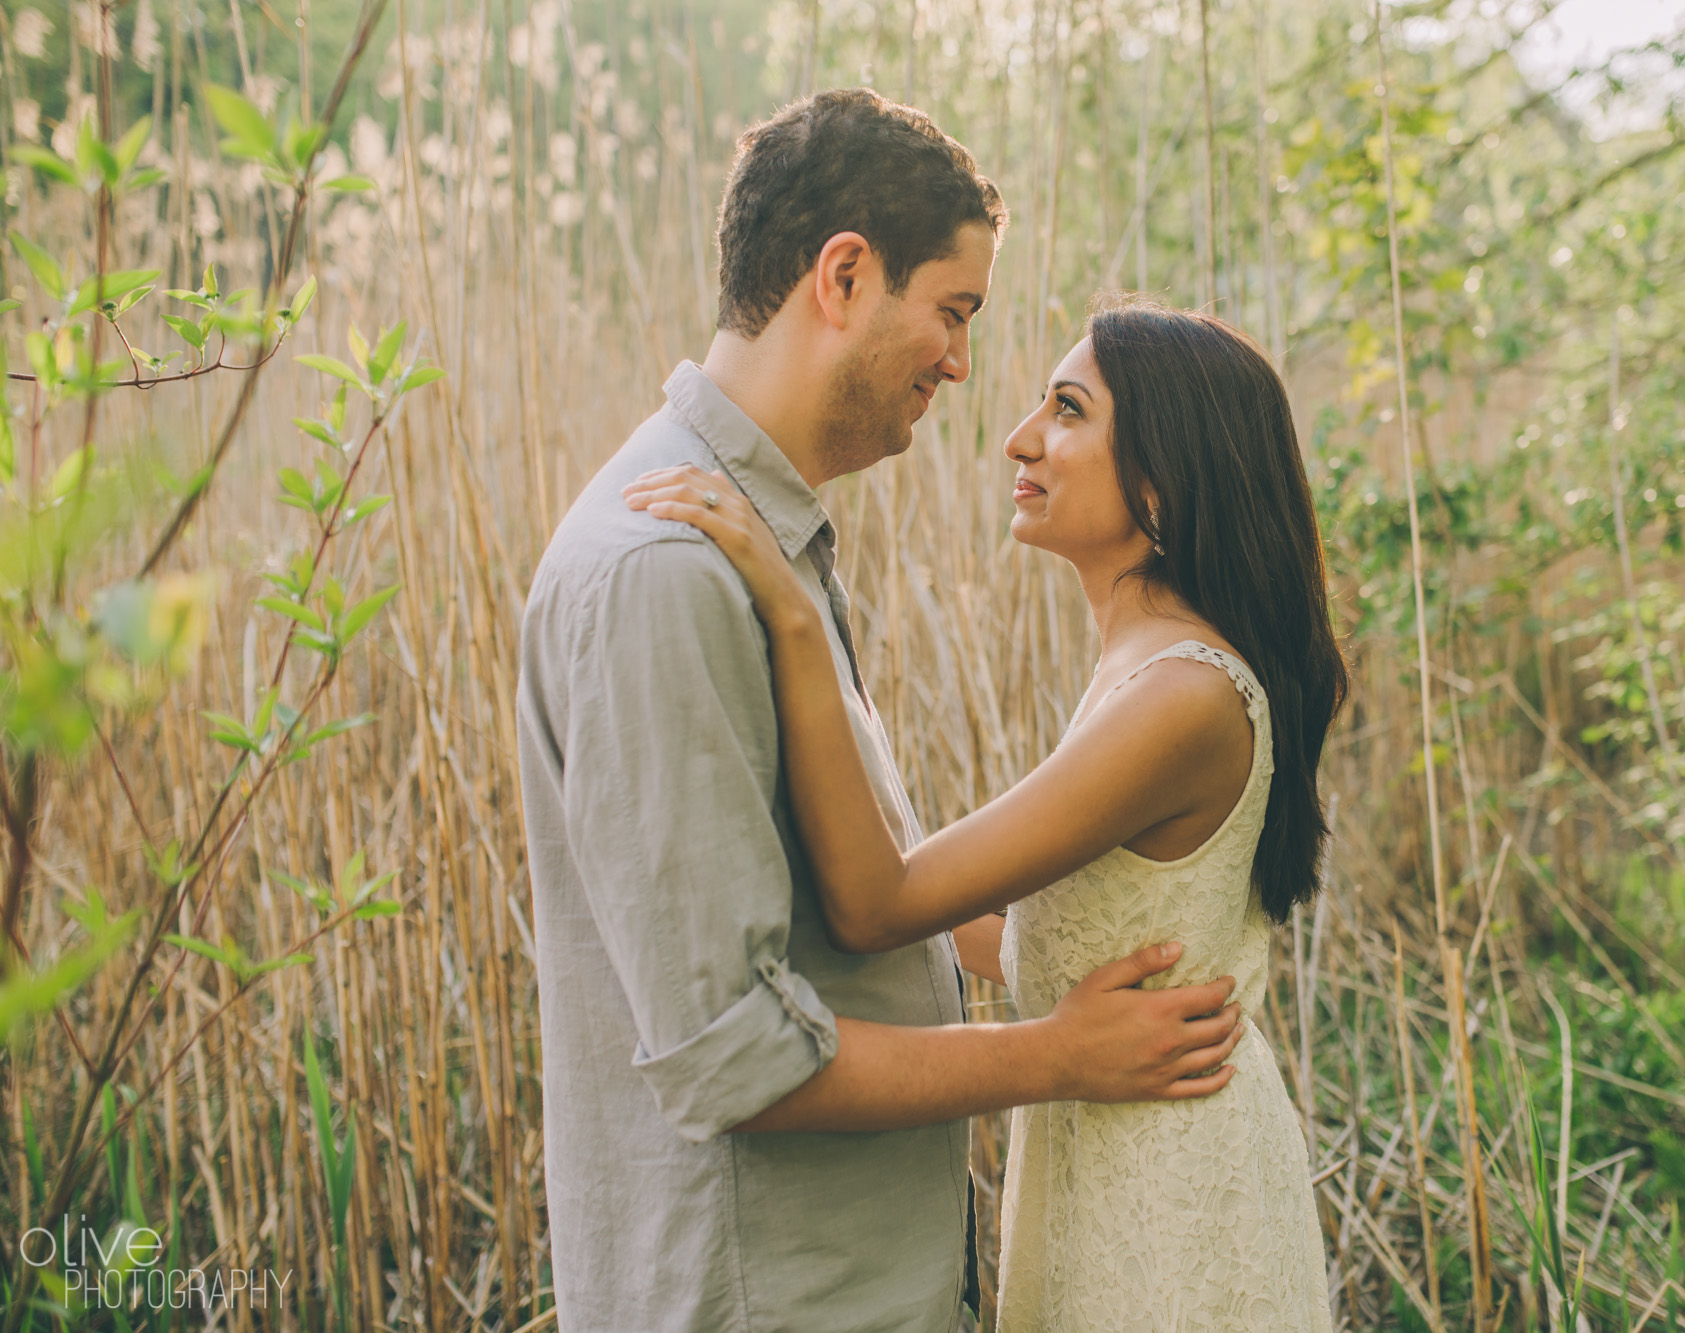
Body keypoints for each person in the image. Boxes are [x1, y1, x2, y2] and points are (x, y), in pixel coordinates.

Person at [516, 89, 1247, 1332]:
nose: (963, 365)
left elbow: (843, 911)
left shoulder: (761, 545)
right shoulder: (668, 571)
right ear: (844, 275)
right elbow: (729, 1053)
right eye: (952, 310)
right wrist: (1057, 1054)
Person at [626, 297, 1348, 1329]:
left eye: (1066, 409)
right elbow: (1048, 939)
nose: (1019, 436)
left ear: (1162, 473)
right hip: (1114, 1152)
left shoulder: (1182, 697)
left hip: (1175, 1193)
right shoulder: (1151, 670)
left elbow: (883, 901)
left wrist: (791, 618)